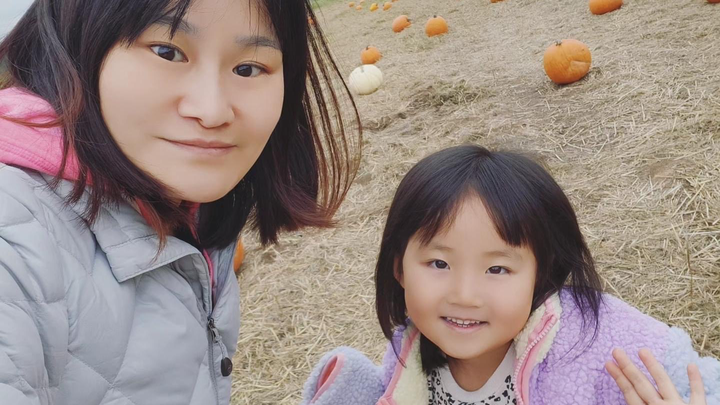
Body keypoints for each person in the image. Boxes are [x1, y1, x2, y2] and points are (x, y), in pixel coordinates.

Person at [0, 0, 361, 404]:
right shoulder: (14, 239)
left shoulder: (186, 202)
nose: (212, 111)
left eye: (248, 69)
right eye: (167, 52)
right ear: (77, 41)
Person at [301, 145, 719, 405]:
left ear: (542, 275)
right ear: (399, 268)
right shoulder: (406, 356)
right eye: (439, 264)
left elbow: (698, 381)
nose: (465, 295)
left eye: (497, 268)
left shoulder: (599, 349)